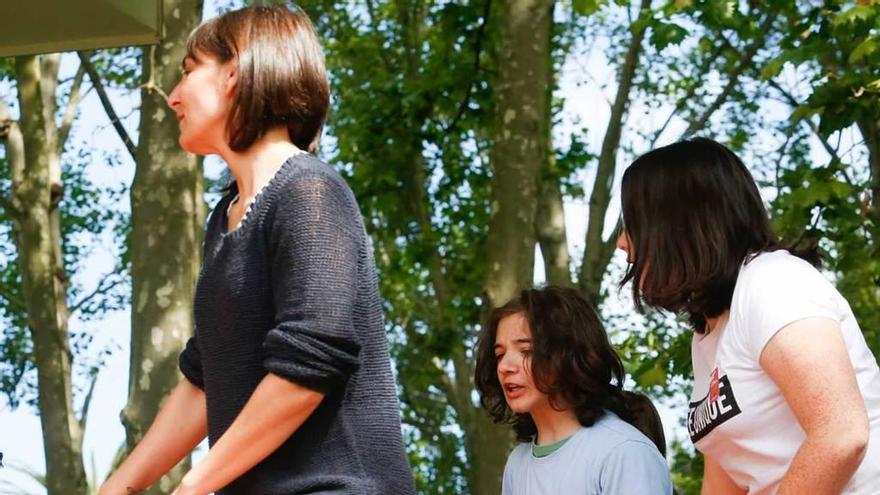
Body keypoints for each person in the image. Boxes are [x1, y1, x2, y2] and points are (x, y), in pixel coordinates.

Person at [99, 5, 415, 494]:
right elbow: (205, 378)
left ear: (236, 72)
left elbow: (309, 366)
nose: (174, 97)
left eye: (187, 73)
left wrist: (192, 486)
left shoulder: (309, 192)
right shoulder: (224, 217)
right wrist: (116, 487)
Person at [617, 137, 880, 494]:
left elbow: (841, 434)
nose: (622, 242)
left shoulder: (773, 282)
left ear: (678, 225)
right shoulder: (708, 335)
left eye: (633, 223)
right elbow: (728, 473)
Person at [474, 286, 673, 495]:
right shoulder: (517, 464)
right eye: (499, 354)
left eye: (526, 351)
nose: (505, 367)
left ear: (570, 357)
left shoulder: (623, 452)